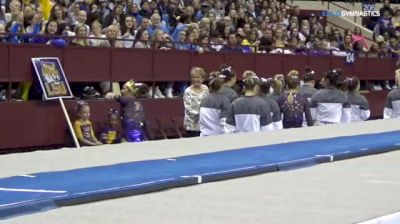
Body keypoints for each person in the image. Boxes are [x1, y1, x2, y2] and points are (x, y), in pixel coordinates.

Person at [199, 72, 232, 136]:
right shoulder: (224, 100)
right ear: (222, 86)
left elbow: (201, 121)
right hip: (218, 138)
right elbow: (225, 123)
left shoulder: (204, 100)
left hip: (204, 136)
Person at [183, 67, 209, 137]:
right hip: (192, 125)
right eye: (193, 77)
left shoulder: (205, 89)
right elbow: (188, 109)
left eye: (198, 77)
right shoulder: (187, 91)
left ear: (202, 79)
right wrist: (202, 115)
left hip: (204, 124)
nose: (196, 79)